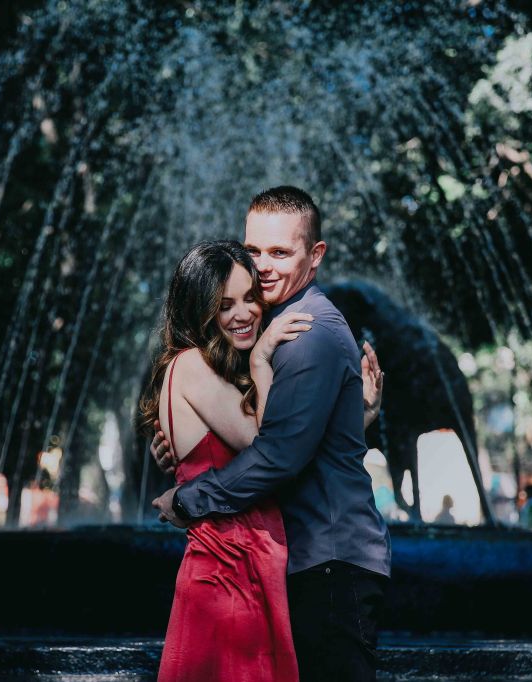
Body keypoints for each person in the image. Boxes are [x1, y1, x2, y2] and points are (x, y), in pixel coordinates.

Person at [152, 186, 392, 682]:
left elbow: (279, 455)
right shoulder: (266, 333)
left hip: (328, 561)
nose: (262, 266)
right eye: (254, 250)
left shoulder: (306, 334)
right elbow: (294, 436)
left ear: (315, 255)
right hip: (286, 561)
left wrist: (189, 498)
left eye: (280, 252)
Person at [140, 240, 310, 681]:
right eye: (224, 305)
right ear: (200, 311)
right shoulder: (191, 365)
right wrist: (262, 361)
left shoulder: (212, 371)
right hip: (227, 575)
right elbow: (268, 445)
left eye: (250, 298)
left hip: (242, 568)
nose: (244, 313)